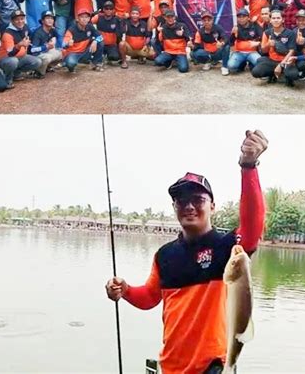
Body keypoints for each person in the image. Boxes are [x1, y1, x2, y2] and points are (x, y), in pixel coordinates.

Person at [105, 130, 268, 374]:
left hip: (213, 367)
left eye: (198, 200)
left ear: (212, 205)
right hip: (170, 366)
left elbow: (253, 227)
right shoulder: (165, 255)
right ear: (174, 207)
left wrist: (248, 166)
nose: (189, 206)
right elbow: (150, 297)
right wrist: (125, 290)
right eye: (181, 201)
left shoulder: (228, 248)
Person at [0, 10, 42, 86]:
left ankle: (15, 73)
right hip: (5, 59)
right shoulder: (8, 33)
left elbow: (31, 36)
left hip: (20, 57)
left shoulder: (25, 27)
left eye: (22, 19)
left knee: (37, 62)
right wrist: (19, 45)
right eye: (17, 19)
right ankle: (7, 79)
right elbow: (10, 53)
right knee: (13, 61)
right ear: (12, 21)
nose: (20, 21)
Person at [252, 9, 296, 85]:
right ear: (270, 20)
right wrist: (268, 44)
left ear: (283, 20)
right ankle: (272, 74)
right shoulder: (266, 33)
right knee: (256, 72)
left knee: (293, 75)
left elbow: (291, 52)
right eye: (273, 18)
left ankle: (285, 76)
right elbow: (263, 51)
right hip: (272, 60)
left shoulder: (290, 33)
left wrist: (281, 65)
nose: (276, 20)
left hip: (286, 61)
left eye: (278, 18)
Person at [191, 11, 230, 75]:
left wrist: (222, 43)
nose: (206, 22)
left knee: (227, 47)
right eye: (204, 20)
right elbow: (196, 46)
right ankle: (207, 62)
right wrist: (192, 46)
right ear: (202, 22)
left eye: (209, 20)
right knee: (193, 53)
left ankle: (224, 67)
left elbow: (226, 38)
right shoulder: (199, 32)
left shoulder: (218, 28)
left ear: (212, 20)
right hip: (208, 53)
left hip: (218, 52)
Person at [283, 9, 305, 86]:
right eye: (298, 20)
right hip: (293, 58)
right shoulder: (294, 31)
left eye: (303, 20)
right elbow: (290, 49)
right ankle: (291, 75)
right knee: (291, 74)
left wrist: (302, 45)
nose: (300, 22)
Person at [227, 9, 263, 73]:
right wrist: (233, 34)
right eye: (239, 17)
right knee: (231, 67)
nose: (241, 19)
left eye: (244, 17)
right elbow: (231, 41)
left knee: (261, 65)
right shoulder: (236, 27)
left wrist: (258, 43)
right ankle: (242, 63)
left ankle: (250, 64)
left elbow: (263, 37)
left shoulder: (254, 25)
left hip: (252, 52)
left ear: (248, 18)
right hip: (240, 53)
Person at [30, 11, 62, 77]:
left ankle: (47, 67)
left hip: (44, 52)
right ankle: (37, 72)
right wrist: (46, 47)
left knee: (60, 53)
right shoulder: (38, 33)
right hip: (34, 56)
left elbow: (59, 38)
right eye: (47, 18)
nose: (50, 20)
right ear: (42, 21)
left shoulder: (52, 30)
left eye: (52, 18)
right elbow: (32, 50)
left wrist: (55, 40)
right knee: (47, 58)